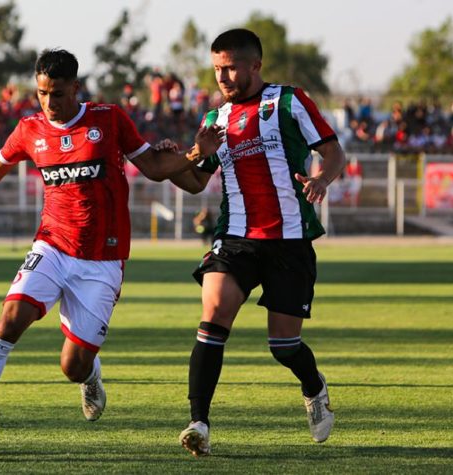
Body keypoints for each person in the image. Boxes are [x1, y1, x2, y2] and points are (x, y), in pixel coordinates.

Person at [0, 49, 221, 444]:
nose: (49, 103)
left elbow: (155, 168)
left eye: (57, 94)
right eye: (42, 93)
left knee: (73, 365)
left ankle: (90, 375)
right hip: (52, 245)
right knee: (9, 320)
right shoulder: (30, 129)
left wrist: (196, 154)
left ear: (76, 88)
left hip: (102, 260)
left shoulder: (108, 120)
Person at [166, 29, 346, 456]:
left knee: (283, 346)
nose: (222, 77)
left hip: (289, 240)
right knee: (213, 316)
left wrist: (322, 178)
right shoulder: (214, 119)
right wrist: (183, 158)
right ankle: (199, 423)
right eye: (216, 69)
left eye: (229, 67)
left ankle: (314, 386)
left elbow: (334, 151)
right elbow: (194, 182)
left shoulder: (290, 101)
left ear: (254, 65)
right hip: (235, 239)